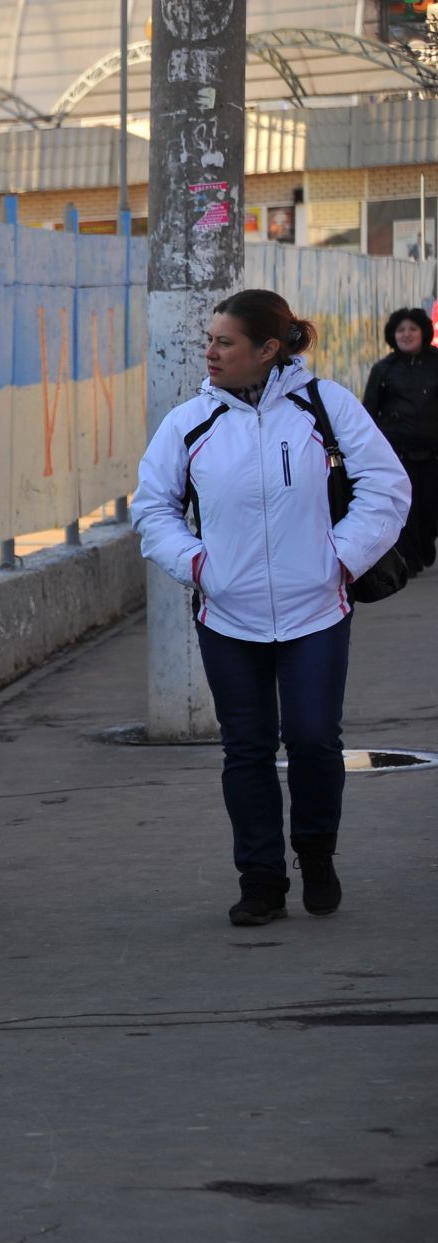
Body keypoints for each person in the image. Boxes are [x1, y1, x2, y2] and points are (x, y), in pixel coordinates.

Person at [133, 289, 410, 927]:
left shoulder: (326, 406)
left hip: (318, 611)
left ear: (267, 350)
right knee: (247, 749)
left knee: (314, 740)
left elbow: (387, 488)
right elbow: (153, 510)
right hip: (229, 619)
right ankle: (260, 879)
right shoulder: (189, 423)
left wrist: (338, 560)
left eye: (225, 342)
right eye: (210, 340)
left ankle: (315, 854)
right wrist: (200, 565)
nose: (210, 352)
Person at [361, 307, 438, 575]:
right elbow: (369, 410)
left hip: (433, 452)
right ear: (393, 335)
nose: (406, 334)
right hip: (398, 451)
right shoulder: (384, 369)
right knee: (408, 508)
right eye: (401, 330)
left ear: (423, 332)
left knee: (430, 506)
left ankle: (426, 543)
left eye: (412, 329)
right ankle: (411, 559)